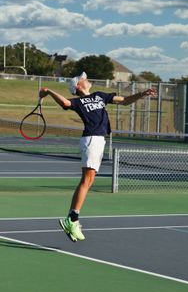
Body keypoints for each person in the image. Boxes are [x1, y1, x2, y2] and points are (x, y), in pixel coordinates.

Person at [39, 72, 156, 242]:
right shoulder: (77, 102)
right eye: (83, 79)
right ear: (78, 86)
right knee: (87, 180)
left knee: (88, 180)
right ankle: (72, 219)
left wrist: (141, 94)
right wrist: (49, 91)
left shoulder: (99, 96)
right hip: (91, 139)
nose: (87, 79)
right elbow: (64, 103)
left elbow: (124, 101)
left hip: (100, 140)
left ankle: (72, 218)